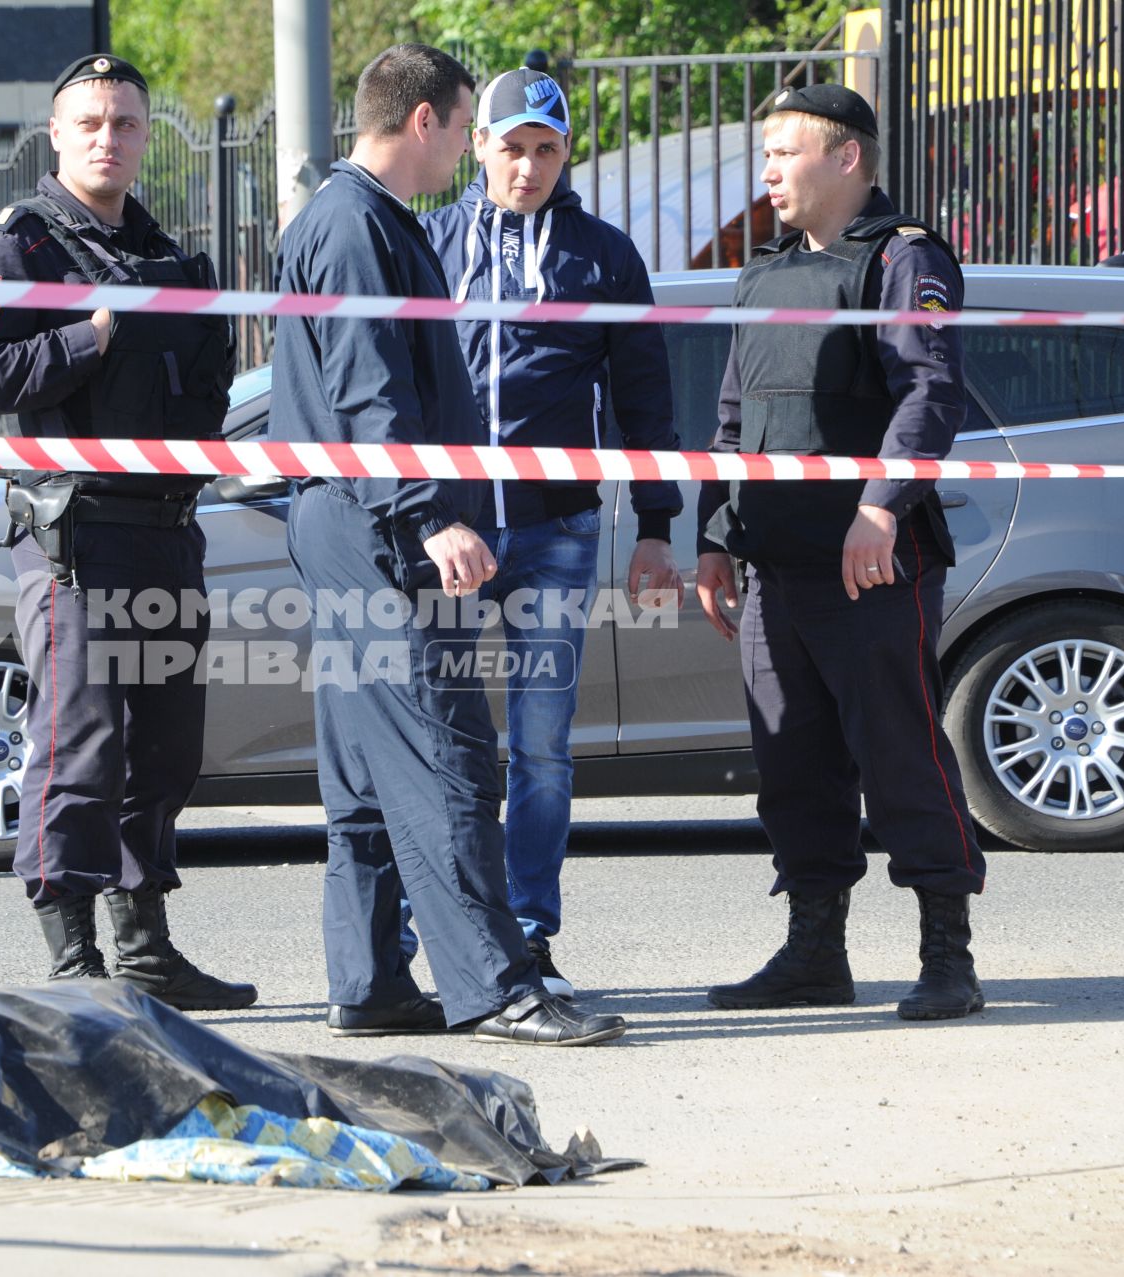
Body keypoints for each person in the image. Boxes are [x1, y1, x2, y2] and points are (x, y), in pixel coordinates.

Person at [270, 43, 627, 1047]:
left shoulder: (363, 222)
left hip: (352, 519)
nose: (467, 149)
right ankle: (496, 985)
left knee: (366, 774)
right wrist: (433, 513)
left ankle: (373, 978)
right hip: (381, 526)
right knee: (447, 755)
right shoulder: (356, 228)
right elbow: (371, 388)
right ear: (424, 121)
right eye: (463, 123)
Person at [0, 53, 254, 1011]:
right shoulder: (16, 247)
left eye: (124, 124)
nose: (108, 139)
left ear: (144, 135)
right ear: (57, 134)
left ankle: (146, 948)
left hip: (166, 531)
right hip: (76, 538)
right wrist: (92, 335)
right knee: (78, 747)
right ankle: (73, 960)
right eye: (90, 124)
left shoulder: (165, 250)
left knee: (165, 749)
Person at [692, 83, 986, 1021]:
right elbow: (733, 418)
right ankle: (816, 951)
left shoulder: (904, 258)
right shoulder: (763, 271)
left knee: (901, 757)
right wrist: (713, 535)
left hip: (869, 563)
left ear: (847, 157)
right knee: (794, 769)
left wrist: (882, 505)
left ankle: (949, 954)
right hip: (775, 561)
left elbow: (929, 391)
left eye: (784, 151)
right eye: (765, 152)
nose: (768, 169)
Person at [421, 67, 683, 998]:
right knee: (440, 739)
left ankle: (529, 930)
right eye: (510, 147)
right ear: (476, 148)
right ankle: (445, 925)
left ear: (565, 153)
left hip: (558, 532)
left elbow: (646, 399)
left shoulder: (605, 255)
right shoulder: (429, 242)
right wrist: (418, 509)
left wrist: (656, 526)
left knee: (541, 742)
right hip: (446, 531)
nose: (528, 166)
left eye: (547, 149)